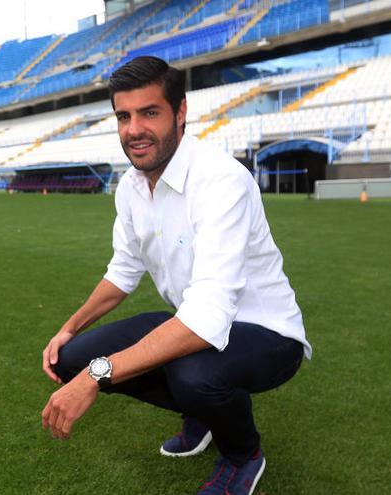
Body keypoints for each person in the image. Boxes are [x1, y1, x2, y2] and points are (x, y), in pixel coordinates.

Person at [40, 56, 312, 495]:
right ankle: (202, 412)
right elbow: (124, 271)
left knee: (193, 375)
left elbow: (207, 316)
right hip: (193, 324)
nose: (134, 129)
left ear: (180, 113)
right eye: (123, 116)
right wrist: (68, 329)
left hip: (267, 334)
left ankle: (242, 454)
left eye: (149, 113)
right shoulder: (131, 186)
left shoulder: (221, 180)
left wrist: (98, 376)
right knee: (71, 357)